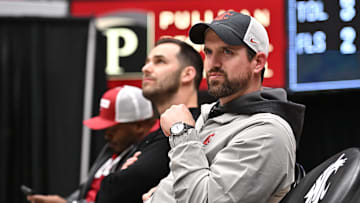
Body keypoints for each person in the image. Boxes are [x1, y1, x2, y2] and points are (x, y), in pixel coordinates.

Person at [144, 11, 306, 203]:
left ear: (258, 62)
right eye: (209, 52)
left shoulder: (267, 133)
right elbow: (186, 182)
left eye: (227, 51)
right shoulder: (212, 115)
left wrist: (182, 133)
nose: (213, 63)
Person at [94, 37, 204, 203]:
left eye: (160, 62)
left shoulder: (195, 127)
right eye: (147, 62)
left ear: (188, 74)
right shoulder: (155, 134)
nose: (146, 68)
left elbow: (113, 192)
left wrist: (117, 178)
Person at [27, 85, 156, 203]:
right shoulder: (112, 149)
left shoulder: (146, 160)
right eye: (105, 129)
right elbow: (87, 191)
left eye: (113, 129)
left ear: (139, 125)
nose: (107, 135)